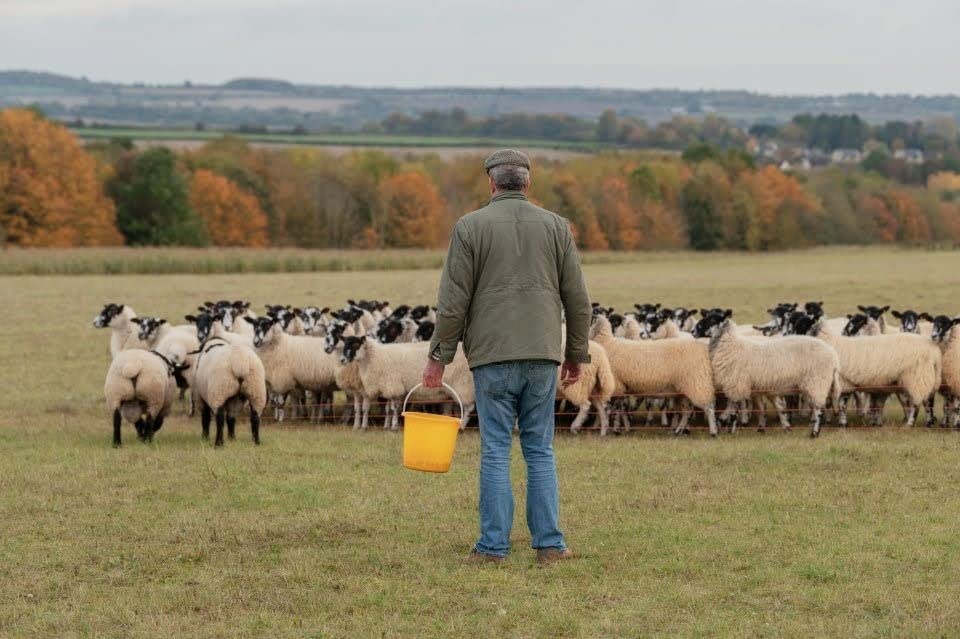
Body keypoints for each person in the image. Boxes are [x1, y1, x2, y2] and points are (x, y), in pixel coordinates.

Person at [421, 149, 592, 565]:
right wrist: (576, 353)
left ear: (492, 184)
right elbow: (578, 300)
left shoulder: (469, 228)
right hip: (542, 355)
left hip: (492, 356)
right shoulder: (556, 228)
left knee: (496, 449)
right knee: (540, 449)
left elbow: (452, 302)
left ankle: (492, 548)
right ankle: (550, 544)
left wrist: (438, 357)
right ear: (527, 184)